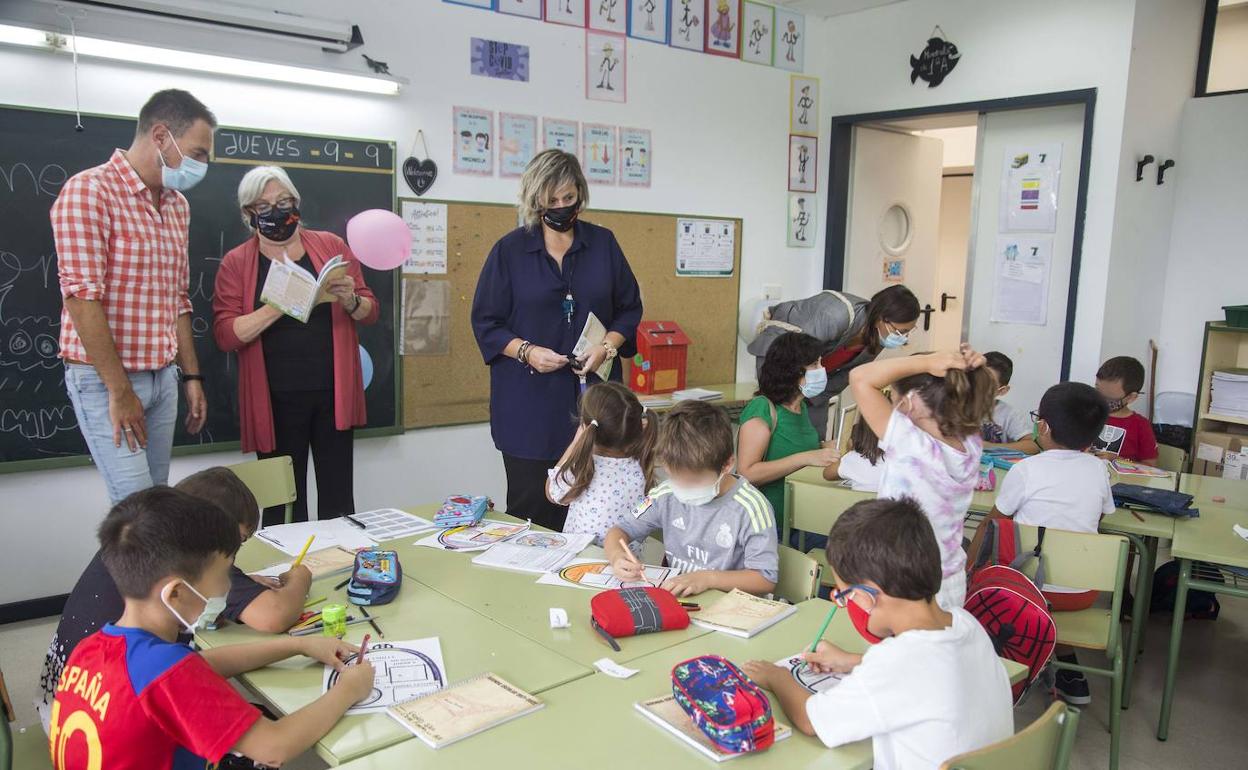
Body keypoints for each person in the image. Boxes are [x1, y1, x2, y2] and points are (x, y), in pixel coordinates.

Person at [48, 487, 374, 769]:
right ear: (175, 593)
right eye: (223, 576)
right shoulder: (167, 671)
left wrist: (298, 646)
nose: (225, 590)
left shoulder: (93, 649)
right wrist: (348, 690)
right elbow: (274, 747)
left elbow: (198, 668)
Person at [742, 498, 1012, 770]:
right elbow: (926, 674)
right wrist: (854, 661)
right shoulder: (966, 625)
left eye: (846, 595)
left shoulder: (895, 661)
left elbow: (811, 721)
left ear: (869, 595)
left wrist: (776, 676)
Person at [35, 467, 311, 731]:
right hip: (106, 722)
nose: (233, 555)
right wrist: (300, 577)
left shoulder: (137, 546)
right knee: (261, 723)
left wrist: (298, 645)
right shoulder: (191, 567)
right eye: (234, 541)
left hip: (69, 707)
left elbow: (195, 665)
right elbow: (274, 615)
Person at [51, 89, 214, 504]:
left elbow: (178, 297)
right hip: (109, 380)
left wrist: (191, 375)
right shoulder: (89, 192)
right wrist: (119, 391)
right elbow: (82, 299)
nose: (201, 166)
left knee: (155, 505)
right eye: (197, 153)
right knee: (138, 514)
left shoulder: (177, 206)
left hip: (164, 377)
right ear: (161, 136)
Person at [471, 149, 643, 530]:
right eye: (552, 201)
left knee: (596, 519)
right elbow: (486, 321)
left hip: (596, 408)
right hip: (528, 412)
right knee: (533, 519)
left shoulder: (604, 244)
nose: (562, 207)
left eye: (569, 198)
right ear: (535, 201)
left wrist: (608, 347)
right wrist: (527, 351)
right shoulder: (509, 251)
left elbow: (629, 310)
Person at [213, 165, 379, 524]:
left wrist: (350, 299)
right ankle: (284, 578)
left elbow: (369, 311)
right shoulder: (237, 263)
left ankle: (338, 568)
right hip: (273, 402)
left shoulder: (330, 246)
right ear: (249, 214)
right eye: (265, 205)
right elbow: (226, 335)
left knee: (338, 499)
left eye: (285, 201)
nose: (278, 211)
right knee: (282, 506)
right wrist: (279, 305)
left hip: (332, 395)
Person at [990, 381, 1113, 705]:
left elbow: (995, 523)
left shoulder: (1026, 469)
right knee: (1052, 576)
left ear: (1042, 426)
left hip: (1027, 591)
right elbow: (1098, 521)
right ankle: (1067, 669)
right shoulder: (1100, 470)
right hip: (1083, 593)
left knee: (997, 564)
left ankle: (1010, 664)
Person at [850, 345, 996, 610]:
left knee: (898, 652)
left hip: (905, 583)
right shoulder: (970, 441)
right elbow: (980, 388)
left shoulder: (910, 443)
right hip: (949, 577)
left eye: (892, 399)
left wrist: (929, 360)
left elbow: (860, 377)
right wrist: (974, 366)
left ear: (910, 402)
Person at [604, 400, 779, 598]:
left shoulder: (751, 508)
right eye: (674, 477)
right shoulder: (666, 494)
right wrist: (617, 556)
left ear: (727, 464)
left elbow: (765, 578)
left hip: (731, 610)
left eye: (694, 481)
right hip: (682, 605)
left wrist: (708, 579)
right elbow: (619, 531)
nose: (682, 488)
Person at [747, 286, 920, 436]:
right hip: (781, 356)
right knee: (779, 426)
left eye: (908, 333)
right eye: (900, 332)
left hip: (815, 374)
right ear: (882, 318)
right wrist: (795, 399)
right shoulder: (836, 315)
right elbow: (796, 353)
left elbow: (847, 376)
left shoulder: (877, 336)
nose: (903, 339)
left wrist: (815, 395)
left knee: (814, 434)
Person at [737, 332, 840, 535]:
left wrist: (822, 448)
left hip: (804, 521)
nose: (822, 370)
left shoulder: (800, 408)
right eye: (815, 365)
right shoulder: (763, 408)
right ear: (792, 371)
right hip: (772, 526)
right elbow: (747, 473)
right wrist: (806, 457)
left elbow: (791, 447)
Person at [546, 382, 657, 557]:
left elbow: (551, 492)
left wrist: (576, 442)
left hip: (580, 563)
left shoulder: (583, 465)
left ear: (586, 427)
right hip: (627, 566)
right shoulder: (642, 464)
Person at [1092, 356, 1159, 465]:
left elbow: (1150, 465)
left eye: (1109, 398)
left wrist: (1119, 461)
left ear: (1131, 397)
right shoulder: (1086, 415)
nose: (1101, 400)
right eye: (1098, 391)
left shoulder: (1140, 425)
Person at [980, 351, 1039, 455]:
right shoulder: (954, 405)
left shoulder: (1008, 413)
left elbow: (1033, 446)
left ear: (1002, 390)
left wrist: (990, 447)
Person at [822, 417, 888, 491]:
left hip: (860, 501)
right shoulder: (900, 460)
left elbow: (826, 474)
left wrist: (849, 452)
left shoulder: (852, 458)